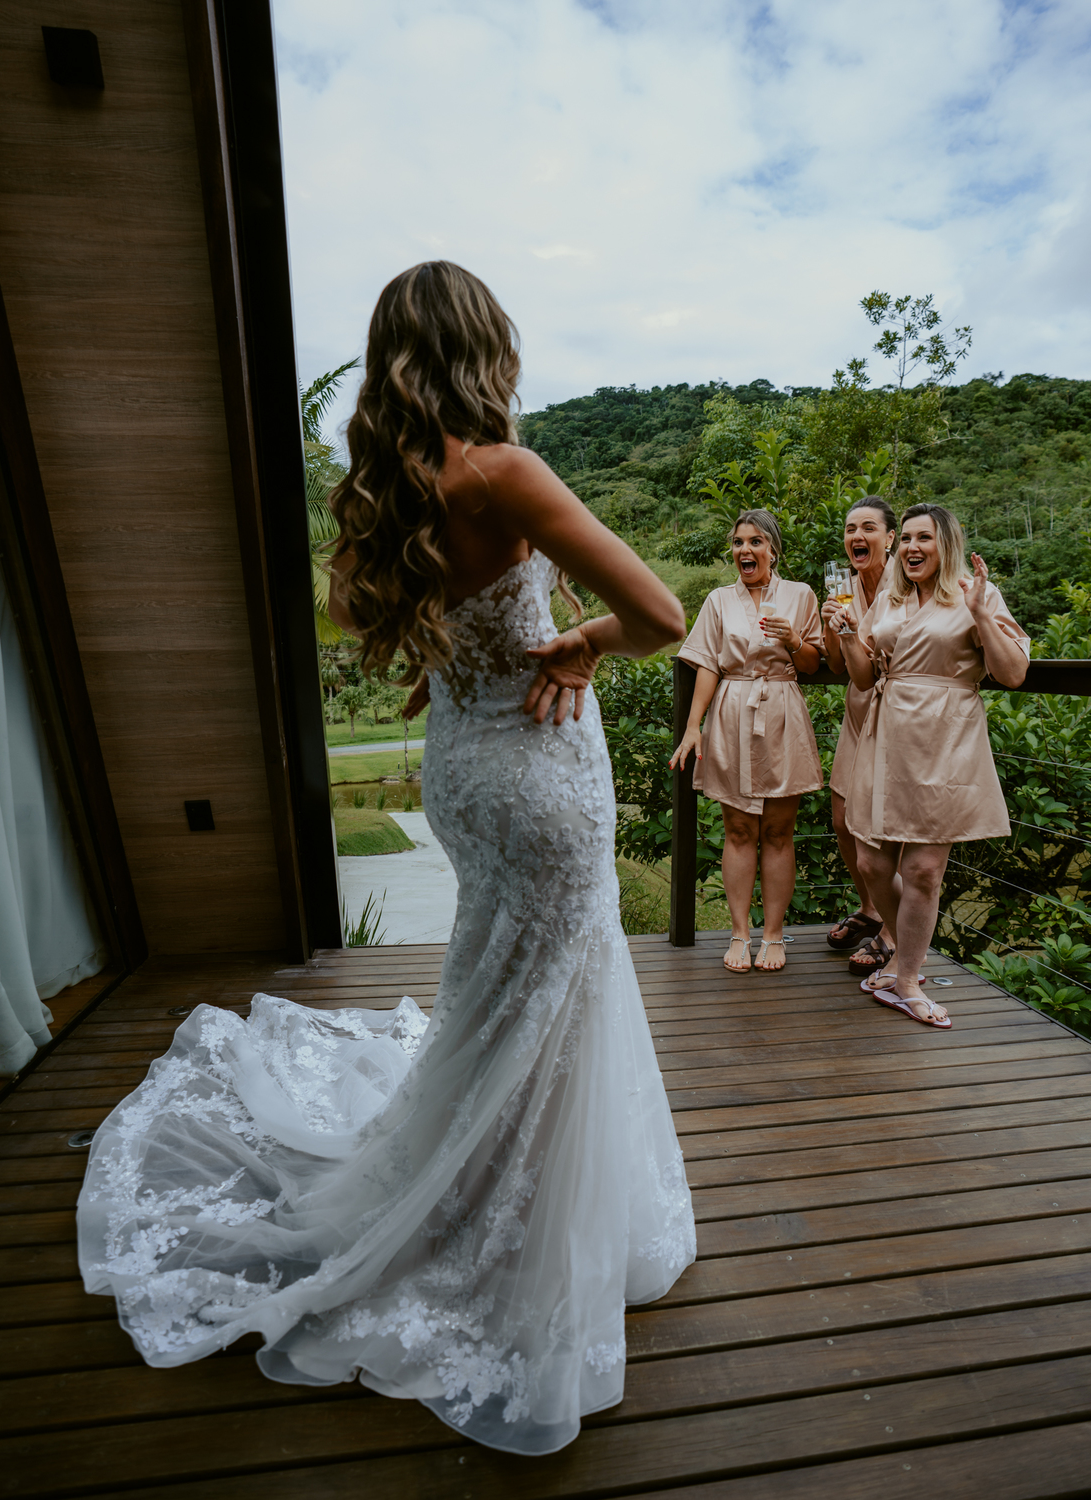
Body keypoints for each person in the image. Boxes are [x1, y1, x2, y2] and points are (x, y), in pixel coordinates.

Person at [77, 262, 696, 1456]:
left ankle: (479, 1186)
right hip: (539, 770)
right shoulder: (503, 472)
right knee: (547, 992)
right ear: (483, 349)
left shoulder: (385, 498)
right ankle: (509, 1218)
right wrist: (571, 644)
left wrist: (463, 639)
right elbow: (664, 616)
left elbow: (367, 621)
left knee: (497, 987)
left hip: (460, 771)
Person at [834, 503, 1029, 1026]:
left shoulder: (975, 593)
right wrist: (849, 633)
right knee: (873, 862)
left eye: (926, 538)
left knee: (922, 868)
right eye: (908, 539)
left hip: (945, 733)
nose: (913, 548)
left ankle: (906, 980)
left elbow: (1012, 673)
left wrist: (984, 615)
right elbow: (860, 676)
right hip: (886, 729)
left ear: (947, 545)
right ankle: (904, 955)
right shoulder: (891, 597)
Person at [669, 510, 823, 972]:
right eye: (738, 543)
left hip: (781, 708)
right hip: (733, 710)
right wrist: (694, 726)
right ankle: (740, 933)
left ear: (773, 550)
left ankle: (773, 936)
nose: (744, 551)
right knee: (737, 830)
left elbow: (816, 664)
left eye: (755, 542)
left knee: (778, 831)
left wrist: (795, 640)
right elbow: (708, 665)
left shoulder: (800, 595)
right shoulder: (719, 600)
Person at [821, 496, 899, 978]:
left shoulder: (907, 583)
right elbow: (835, 664)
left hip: (896, 713)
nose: (857, 537)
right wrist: (832, 626)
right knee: (842, 814)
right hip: (857, 713)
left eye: (868, 528)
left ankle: (892, 932)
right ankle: (870, 909)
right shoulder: (844, 586)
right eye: (850, 529)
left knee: (888, 822)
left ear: (890, 538)